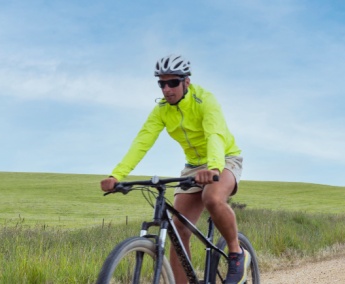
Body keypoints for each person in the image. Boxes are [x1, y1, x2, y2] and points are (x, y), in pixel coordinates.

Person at [99, 54, 249, 284]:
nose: (167, 89)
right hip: (192, 166)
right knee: (177, 231)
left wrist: (214, 167)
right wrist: (116, 175)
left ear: (186, 82)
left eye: (173, 83)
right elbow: (142, 142)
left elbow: (215, 135)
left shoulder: (206, 100)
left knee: (212, 197)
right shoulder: (161, 110)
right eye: (162, 83)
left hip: (224, 158)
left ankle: (237, 252)